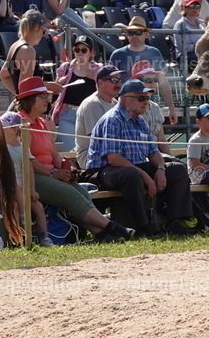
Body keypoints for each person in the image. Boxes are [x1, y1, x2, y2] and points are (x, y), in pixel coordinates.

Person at [15, 76, 133, 242]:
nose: (47, 100)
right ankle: (113, 227)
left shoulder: (42, 122)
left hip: (49, 173)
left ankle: (102, 234)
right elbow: (26, 160)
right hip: (31, 177)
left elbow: (55, 154)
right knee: (70, 194)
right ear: (29, 99)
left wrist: (67, 170)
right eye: (42, 96)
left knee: (81, 192)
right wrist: (52, 172)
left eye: (47, 96)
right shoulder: (20, 122)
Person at [85, 77, 193, 237]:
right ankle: (143, 226)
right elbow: (114, 159)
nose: (146, 102)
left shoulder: (140, 121)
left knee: (177, 169)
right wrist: (146, 176)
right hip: (104, 171)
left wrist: (161, 169)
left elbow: (153, 151)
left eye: (147, 98)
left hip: (134, 167)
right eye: (141, 98)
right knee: (132, 175)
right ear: (124, 99)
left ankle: (175, 221)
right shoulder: (112, 120)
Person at [0, 111, 53, 247]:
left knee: (38, 207)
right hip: (8, 188)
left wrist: (32, 190)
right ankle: (19, 235)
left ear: (14, 129)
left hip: (23, 189)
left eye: (3, 126)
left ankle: (44, 237)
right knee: (14, 206)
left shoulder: (24, 148)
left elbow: (29, 170)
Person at [109, 16, 178, 123]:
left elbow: (163, 82)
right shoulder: (117, 55)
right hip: (124, 107)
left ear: (146, 34)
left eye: (138, 32)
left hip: (147, 105)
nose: (134, 35)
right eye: (131, 33)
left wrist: (171, 108)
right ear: (127, 35)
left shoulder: (154, 53)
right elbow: (111, 83)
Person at [51, 33, 99, 151]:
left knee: (89, 150)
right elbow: (55, 93)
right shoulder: (65, 68)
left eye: (84, 50)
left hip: (89, 114)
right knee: (73, 150)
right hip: (67, 114)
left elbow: (105, 93)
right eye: (77, 50)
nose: (80, 53)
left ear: (91, 53)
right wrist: (59, 84)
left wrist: (97, 79)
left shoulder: (98, 69)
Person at [75, 65, 123, 167]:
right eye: (114, 80)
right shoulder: (92, 104)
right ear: (100, 83)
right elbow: (98, 142)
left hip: (112, 155)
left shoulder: (115, 103)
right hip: (92, 159)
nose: (119, 84)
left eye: (119, 80)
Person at [0, 9, 53, 98]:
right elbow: (26, 87)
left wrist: (17, 94)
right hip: (29, 107)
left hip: (23, 104)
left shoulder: (14, 46)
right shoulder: (28, 50)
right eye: (43, 31)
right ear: (38, 28)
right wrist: (50, 86)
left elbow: (3, 75)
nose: (43, 35)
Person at [173, 0, 205, 66]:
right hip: (186, 55)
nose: (195, 9)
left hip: (201, 52)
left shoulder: (202, 23)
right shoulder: (180, 24)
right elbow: (182, 47)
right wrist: (200, 46)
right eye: (191, 6)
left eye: (197, 6)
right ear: (185, 8)